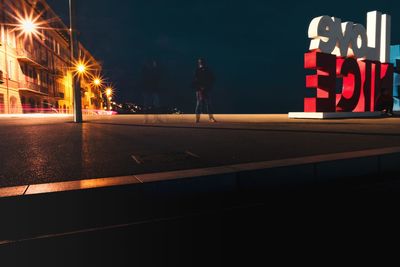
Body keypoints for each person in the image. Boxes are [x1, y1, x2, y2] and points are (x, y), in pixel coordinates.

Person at [192, 58, 217, 123]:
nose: (201, 63)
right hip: (199, 90)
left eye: (202, 62)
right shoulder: (197, 70)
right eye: (200, 62)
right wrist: (200, 87)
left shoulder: (207, 70)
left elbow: (212, 79)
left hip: (206, 89)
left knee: (208, 103)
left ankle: (210, 118)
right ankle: (197, 119)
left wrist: (207, 86)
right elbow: (195, 80)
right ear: (199, 63)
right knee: (199, 103)